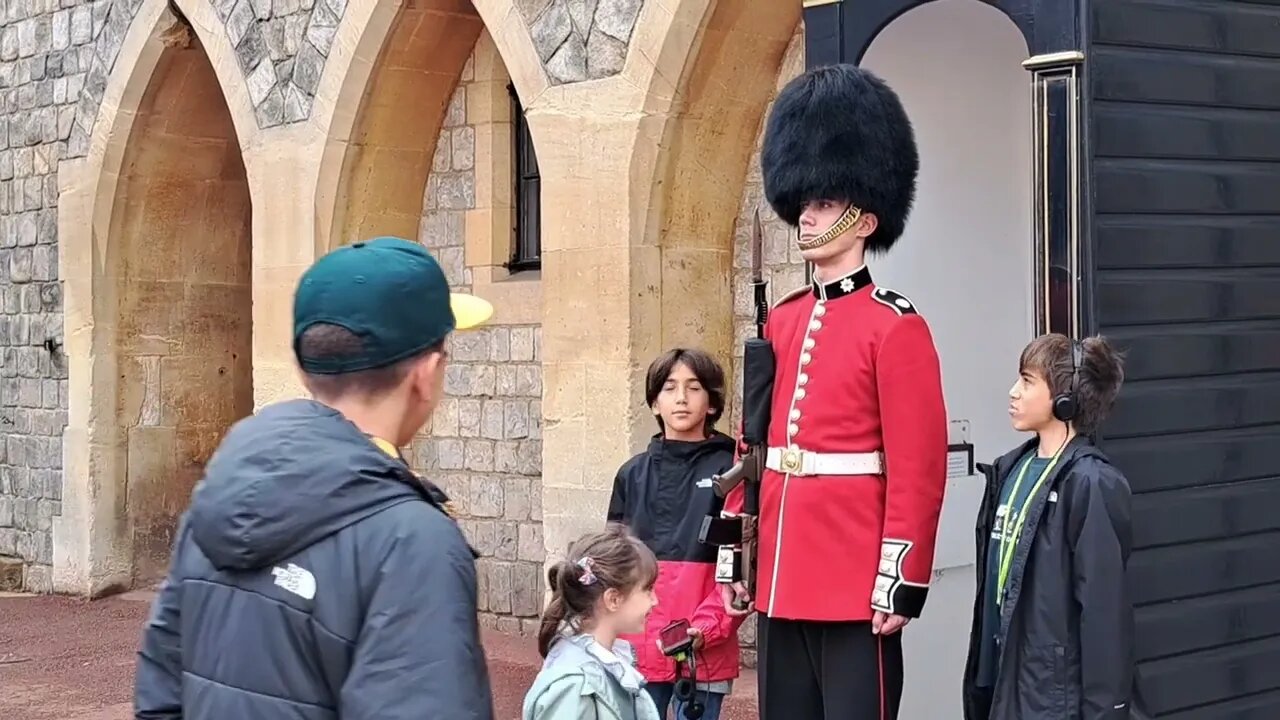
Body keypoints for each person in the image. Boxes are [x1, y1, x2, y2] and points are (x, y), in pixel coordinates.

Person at [133, 236, 497, 720]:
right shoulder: (413, 539)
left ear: (306, 369)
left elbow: (160, 696)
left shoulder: (217, 495)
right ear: (426, 375)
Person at [716, 63, 950, 719]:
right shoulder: (783, 320)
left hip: (854, 581)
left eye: (822, 204)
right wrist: (737, 564)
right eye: (805, 204)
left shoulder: (895, 327)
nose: (806, 218)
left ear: (865, 219)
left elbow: (917, 471)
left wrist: (896, 580)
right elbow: (751, 448)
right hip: (782, 579)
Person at [962, 333, 1133, 720]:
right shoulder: (1008, 470)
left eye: (1027, 380)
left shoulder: (1091, 483)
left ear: (1065, 396)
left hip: (1050, 699)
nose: (1013, 392)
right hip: (999, 682)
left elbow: (1105, 616)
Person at [608, 348, 745, 719]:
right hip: (639, 644)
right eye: (669, 388)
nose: (681, 398)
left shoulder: (732, 472)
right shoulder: (631, 475)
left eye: (693, 387)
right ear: (654, 403)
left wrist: (706, 628)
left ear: (712, 403)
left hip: (703, 648)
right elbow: (613, 567)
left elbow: (741, 569)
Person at [523, 524, 664, 720]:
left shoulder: (604, 664)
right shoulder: (574, 687)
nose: (655, 600)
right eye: (647, 589)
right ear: (613, 600)